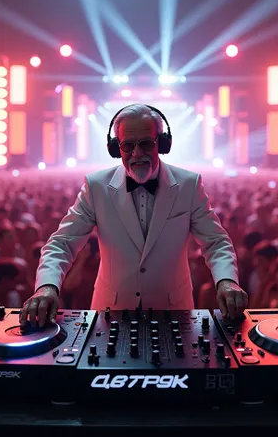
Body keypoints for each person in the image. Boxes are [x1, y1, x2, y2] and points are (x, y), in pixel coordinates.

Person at [20, 104, 246, 327]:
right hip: (110, 315)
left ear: (162, 143)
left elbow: (216, 242)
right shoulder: (97, 187)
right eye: (127, 146)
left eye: (146, 144)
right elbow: (62, 243)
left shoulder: (188, 185)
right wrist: (47, 286)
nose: (137, 154)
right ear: (115, 147)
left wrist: (226, 282)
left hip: (174, 314)